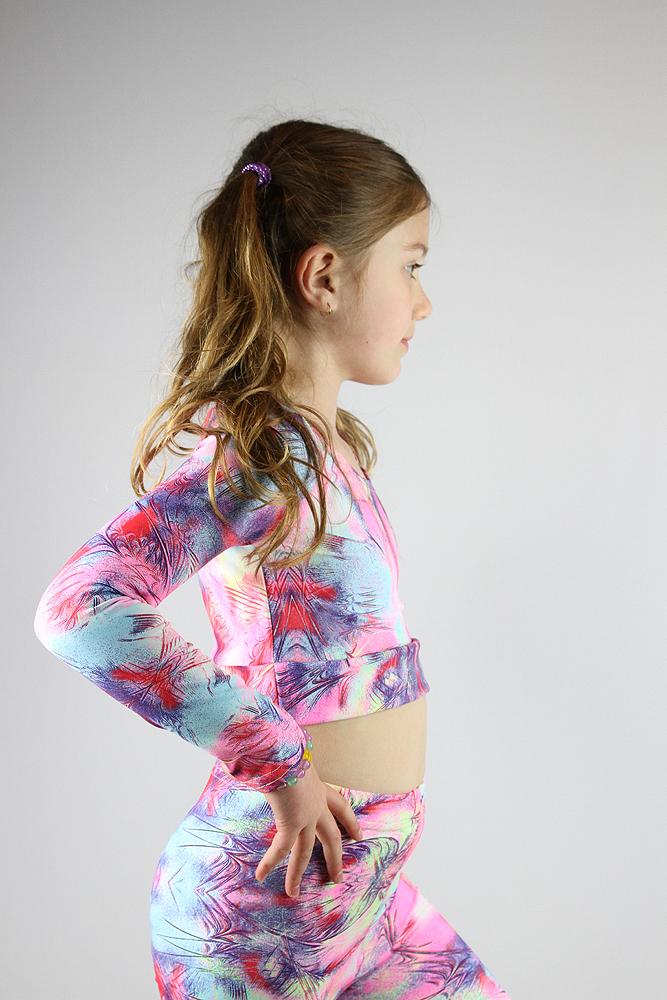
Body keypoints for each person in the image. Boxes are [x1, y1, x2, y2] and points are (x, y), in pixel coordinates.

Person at [34, 119, 511, 999]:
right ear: (324, 276)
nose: (423, 303)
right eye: (410, 266)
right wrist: (278, 761)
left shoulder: (323, 450)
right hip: (261, 915)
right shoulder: (263, 458)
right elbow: (80, 609)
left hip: (359, 901)